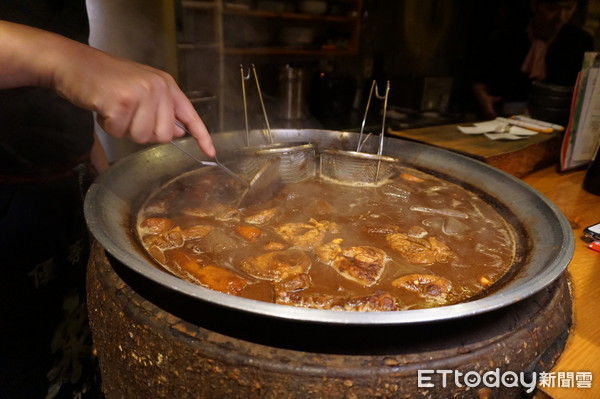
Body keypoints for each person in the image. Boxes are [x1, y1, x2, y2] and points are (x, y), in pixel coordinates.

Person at [0, 3, 215, 398]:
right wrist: (61, 60)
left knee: (76, 360)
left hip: (68, 183)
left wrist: (95, 166)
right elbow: (56, 59)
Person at [471, 0, 594, 119]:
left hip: (556, 121)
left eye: (568, 8)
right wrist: (483, 97)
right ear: (534, 4)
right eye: (551, 8)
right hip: (504, 117)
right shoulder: (506, 35)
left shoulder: (580, 42)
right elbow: (479, 77)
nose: (561, 17)